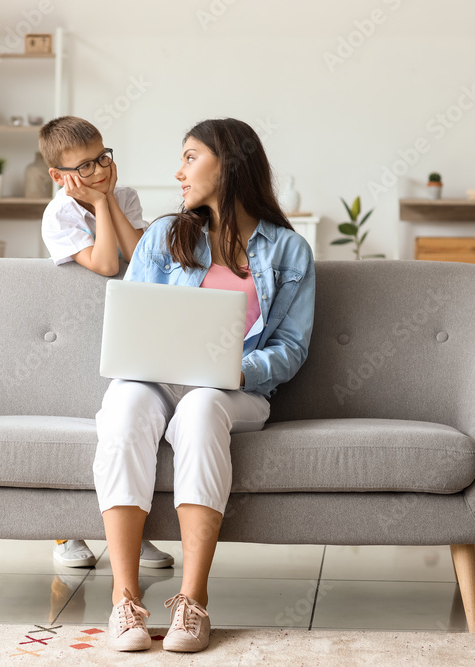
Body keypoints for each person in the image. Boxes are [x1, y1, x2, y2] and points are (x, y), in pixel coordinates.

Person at [93, 118, 316, 652]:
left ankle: (192, 602)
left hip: (234, 392)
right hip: (156, 380)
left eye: (191, 157)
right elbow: (135, 318)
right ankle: (125, 599)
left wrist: (240, 370)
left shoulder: (288, 252)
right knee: (123, 406)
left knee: (199, 409)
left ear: (230, 163)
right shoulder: (165, 237)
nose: (179, 170)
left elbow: (291, 348)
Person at [38, 116, 174, 570]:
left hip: (122, 323)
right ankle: (65, 534)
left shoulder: (125, 196)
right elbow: (104, 264)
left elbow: (139, 257)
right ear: (59, 176)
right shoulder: (58, 214)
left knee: (131, 428)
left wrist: (108, 200)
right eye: (84, 167)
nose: (97, 171)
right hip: (75, 327)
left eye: (102, 159)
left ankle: (131, 536)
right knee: (86, 428)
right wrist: (98, 202)